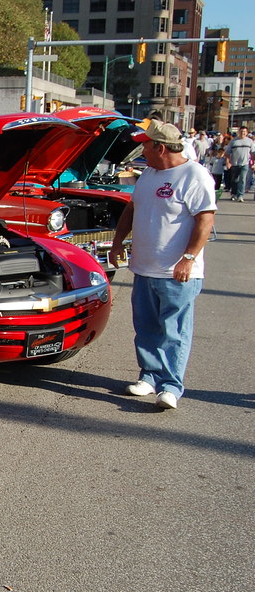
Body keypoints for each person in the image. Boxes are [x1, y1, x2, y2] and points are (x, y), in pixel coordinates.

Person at [108, 120, 217, 410]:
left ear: (160, 147)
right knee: (145, 327)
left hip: (177, 272)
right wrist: (118, 240)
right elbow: (132, 209)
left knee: (174, 330)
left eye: (145, 144)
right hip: (144, 268)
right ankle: (149, 376)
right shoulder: (148, 175)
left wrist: (189, 258)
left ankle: (171, 386)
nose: (141, 149)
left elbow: (205, 220)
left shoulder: (195, 175)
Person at [224, 126, 253, 201]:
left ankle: (240, 195)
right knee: (235, 180)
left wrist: (253, 163)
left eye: (244, 132)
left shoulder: (250, 142)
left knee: (243, 179)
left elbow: (253, 153)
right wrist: (228, 162)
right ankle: (234, 194)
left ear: (246, 133)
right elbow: (227, 153)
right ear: (238, 132)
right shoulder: (233, 141)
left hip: (245, 163)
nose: (243, 133)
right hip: (235, 164)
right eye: (241, 131)